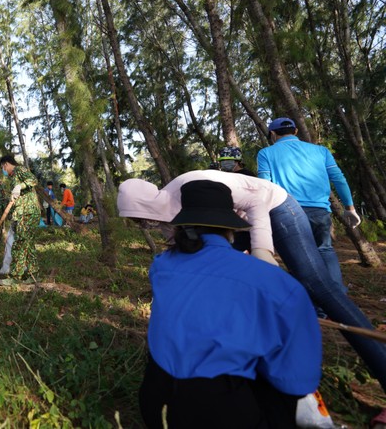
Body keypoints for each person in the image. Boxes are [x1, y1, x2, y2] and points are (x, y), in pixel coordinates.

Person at [118, 170, 386, 404]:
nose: (141, 226)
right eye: (134, 222)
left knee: (317, 285)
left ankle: (380, 364)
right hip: (233, 224)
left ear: (145, 205)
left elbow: (257, 200)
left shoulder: (187, 188)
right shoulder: (167, 222)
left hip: (274, 207)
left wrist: (261, 250)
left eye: (138, 218)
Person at [139, 180, 321, 428]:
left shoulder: (161, 266)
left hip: (156, 398)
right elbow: (297, 381)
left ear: (182, 225)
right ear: (231, 229)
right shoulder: (278, 284)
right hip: (221, 408)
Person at [257, 117, 361, 293]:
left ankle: (311, 303)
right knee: (325, 250)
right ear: (296, 131)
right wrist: (349, 207)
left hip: (287, 212)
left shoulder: (266, 153)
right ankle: (337, 298)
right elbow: (338, 178)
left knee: (298, 259)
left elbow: (265, 185)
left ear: (273, 134)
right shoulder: (321, 151)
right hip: (320, 210)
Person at [0, 155, 39, 286]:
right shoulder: (12, 178)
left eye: (3, 167)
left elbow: (33, 179)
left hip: (27, 212)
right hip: (22, 213)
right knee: (28, 243)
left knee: (19, 243)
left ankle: (16, 276)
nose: (4, 170)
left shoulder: (19, 170)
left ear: (6, 164)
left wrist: (20, 186)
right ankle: (33, 275)